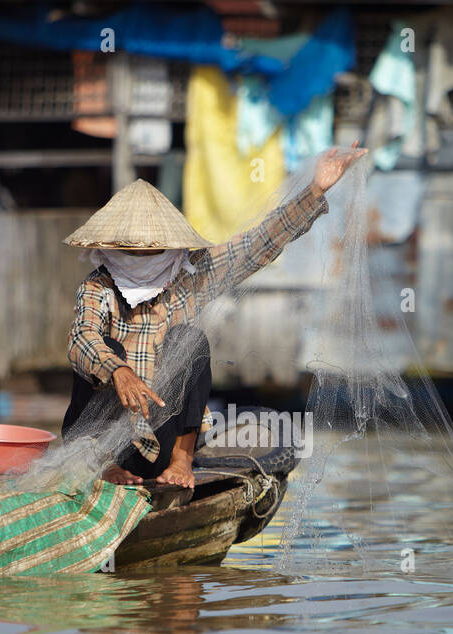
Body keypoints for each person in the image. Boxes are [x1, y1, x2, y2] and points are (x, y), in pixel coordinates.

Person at [61, 143, 368, 489]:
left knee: (189, 341)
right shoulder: (98, 287)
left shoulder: (187, 277)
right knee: (107, 352)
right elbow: (81, 338)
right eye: (131, 251)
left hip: (160, 436)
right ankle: (104, 465)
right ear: (113, 248)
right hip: (99, 446)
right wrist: (118, 371)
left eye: (151, 250)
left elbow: (257, 244)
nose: (141, 258)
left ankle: (182, 459)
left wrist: (314, 190)